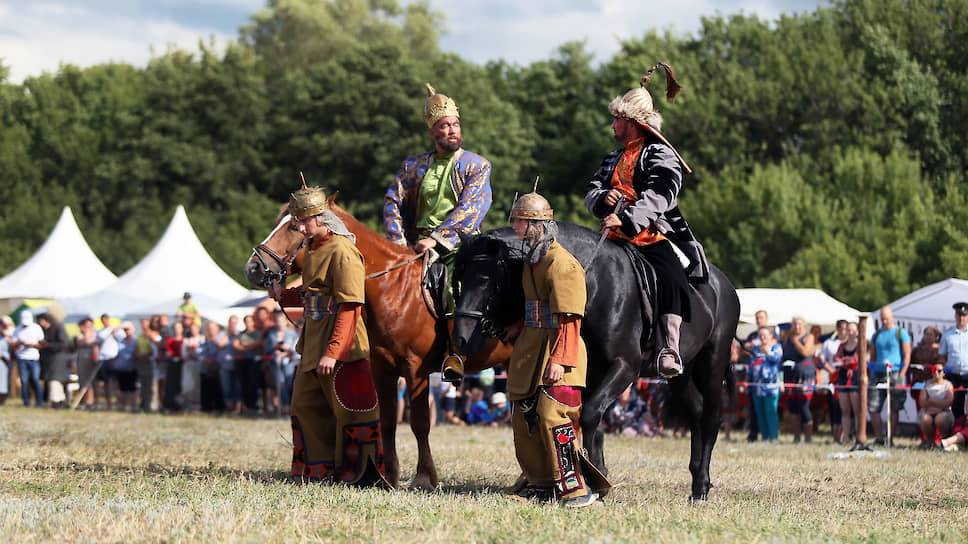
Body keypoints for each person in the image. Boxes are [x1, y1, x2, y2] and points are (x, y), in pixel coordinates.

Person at [584, 63, 707, 378]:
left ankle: (668, 347)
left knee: (672, 275)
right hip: (612, 232)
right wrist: (603, 199)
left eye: (617, 120)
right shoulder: (613, 157)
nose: (612, 126)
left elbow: (659, 198)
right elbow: (592, 191)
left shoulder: (661, 155)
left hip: (653, 233)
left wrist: (625, 219)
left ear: (632, 123)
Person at [268, 184, 388, 486]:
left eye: (304, 220)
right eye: (297, 221)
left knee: (351, 409)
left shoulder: (343, 251)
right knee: (305, 407)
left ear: (321, 217)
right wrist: (283, 296)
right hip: (312, 343)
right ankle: (315, 472)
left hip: (343, 347)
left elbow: (350, 305)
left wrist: (334, 351)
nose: (300, 227)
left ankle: (360, 476)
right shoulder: (312, 249)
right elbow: (313, 295)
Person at [505, 189, 609, 508]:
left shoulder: (563, 264)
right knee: (524, 417)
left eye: (522, 223)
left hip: (560, 352)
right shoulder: (531, 262)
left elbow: (570, 319)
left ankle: (576, 489)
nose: (517, 229)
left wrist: (561, 360)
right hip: (532, 348)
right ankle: (541, 483)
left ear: (538, 224)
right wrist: (517, 328)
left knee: (554, 415)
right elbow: (536, 307)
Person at [383, 83, 492, 382]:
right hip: (415, 245)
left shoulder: (476, 165)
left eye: (456, 124)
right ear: (432, 132)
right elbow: (393, 201)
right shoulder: (413, 165)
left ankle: (455, 354)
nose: (452, 130)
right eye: (445, 126)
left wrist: (437, 239)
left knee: (457, 289)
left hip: (459, 244)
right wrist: (399, 245)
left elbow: (472, 208)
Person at [869, 306, 911, 446]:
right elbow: (872, 357)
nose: (884, 320)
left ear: (892, 316)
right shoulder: (876, 335)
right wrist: (872, 372)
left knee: (894, 407)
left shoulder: (901, 333)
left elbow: (907, 355)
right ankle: (879, 437)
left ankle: (890, 438)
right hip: (879, 374)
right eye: (882, 318)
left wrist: (902, 374)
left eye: (886, 317)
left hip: (895, 374)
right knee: (873, 407)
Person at [781, 316, 816, 443]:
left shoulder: (809, 337)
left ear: (804, 325)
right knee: (792, 406)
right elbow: (783, 354)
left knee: (804, 406)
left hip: (805, 375)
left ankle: (808, 437)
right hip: (790, 375)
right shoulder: (787, 338)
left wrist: (796, 341)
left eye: (800, 324)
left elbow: (806, 353)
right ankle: (796, 436)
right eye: (795, 324)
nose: (797, 327)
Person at [749, 326, 783, 442]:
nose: (762, 338)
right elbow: (751, 365)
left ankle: (773, 437)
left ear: (771, 336)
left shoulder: (776, 347)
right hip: (756, 386)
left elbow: (776, 359)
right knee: (760, 413)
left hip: (771, 387)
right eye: (760, 335)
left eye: (765, 335)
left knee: (771, 412)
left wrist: (767, 351)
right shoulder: (755, 350)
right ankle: (764, 436)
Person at [832, 322, 864, 446]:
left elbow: (858, 361)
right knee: (845, 410)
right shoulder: (842, 346)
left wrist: (846, 361)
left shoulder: (860, 346)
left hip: (855, 378)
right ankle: (845, 436)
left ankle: (858, 435)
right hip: (842, 378)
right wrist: (845, 361)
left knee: (856, 410)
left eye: (852, 330)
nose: (850, 332)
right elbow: (837, 359)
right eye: (848, 330)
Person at [264, 310, 298, 416]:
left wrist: (286, 351)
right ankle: (285, 406)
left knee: (288, 384)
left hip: (288, 362)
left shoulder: (291, 333)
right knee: (280, 383)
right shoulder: (272, 334)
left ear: (285, 321)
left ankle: (291, 406)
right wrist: (275, 348)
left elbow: (295, 348)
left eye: (281, 320)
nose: (279, 322)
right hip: (276, 362)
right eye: (277, 320)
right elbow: (267, 348)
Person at [818, 320, 847, 443]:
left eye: (846, 329)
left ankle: (844, 435)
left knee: (845, 408)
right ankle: (834, 435)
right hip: (832, 378)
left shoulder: (851, 343)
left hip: (846, 378)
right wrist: (831, 371)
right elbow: (821, 358)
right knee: (834, 407)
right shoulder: (829, 343)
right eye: (842, 329)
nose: (844, 332)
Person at [939, 302, 968, 420]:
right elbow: (942, 357)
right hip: (954, 375)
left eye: (964, 315)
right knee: (956, 406)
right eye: (959, 315)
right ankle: (958, 433)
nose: (961, 318)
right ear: (955, 316)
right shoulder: (947, 335)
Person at [12, 310, 45, 407]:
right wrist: (20, 343)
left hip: (34, 358)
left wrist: (33, 345)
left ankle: (39, 401)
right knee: (24, 380)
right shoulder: (17, 329)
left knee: (35, 379)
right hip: (22, 358)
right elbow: (13, 344)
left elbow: (42, 344)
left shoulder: (36, 328)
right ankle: (26, 402)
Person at [36, 313, 69, 408]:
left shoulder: (58, 328)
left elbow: (63, 344)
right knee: (52, 380)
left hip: (57, 358)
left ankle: (57, 401)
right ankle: (59, 400)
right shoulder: (46, 330)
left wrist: (48, 345)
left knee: (55, 379)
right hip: (49, 359)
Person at [917, 362, 954, 449]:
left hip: (944, 411)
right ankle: (930, 442)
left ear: (944, 373)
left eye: (939, 371)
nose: (936, 373)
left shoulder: (948, 385)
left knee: (940, 419)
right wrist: (939, 403)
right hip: (928, 411)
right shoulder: (926, 384)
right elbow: (922, 402)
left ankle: (945, 442)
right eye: (934, 370)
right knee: (925, 419)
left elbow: (949, 402)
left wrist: (931, 401)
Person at [910, 326, 943, 413]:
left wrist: (931, 367)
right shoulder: (917, 349)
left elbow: (942, 364)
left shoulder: (940, 350)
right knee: (921, 409)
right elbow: (911, 363)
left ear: (936, 336)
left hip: (934, 383)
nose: (928, 336)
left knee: (935, 409)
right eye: (926, 334)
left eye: (931, 334)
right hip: (919, 382)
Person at [95, 313, 121, 411]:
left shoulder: (115, 329)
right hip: (103, 359)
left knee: (116, 382)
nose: (104, 321)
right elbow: (97, 344)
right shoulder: (100, 332)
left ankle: (118, 403)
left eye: (106, 319)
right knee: (104, 382)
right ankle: (108, 403)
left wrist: (115, 330)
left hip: (113, 358)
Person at [73, 317, 99, 409]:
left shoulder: (96, 335)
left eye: (91, 326)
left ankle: (92, 402)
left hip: (92, 361)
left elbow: (95, 344)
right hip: (82, 361)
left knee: (92, 382)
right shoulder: (79, 336)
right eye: (87, 326)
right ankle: (84, 401)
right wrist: (88, 339)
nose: (89, 328)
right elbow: (80, 343)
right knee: (83, 381)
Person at [112, 322, 139, 413]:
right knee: (122, 388)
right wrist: (122, 326)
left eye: (128, 329)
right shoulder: (121, 340)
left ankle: (133, 406)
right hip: (121, 368)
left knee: (132, 388)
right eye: (125, 330)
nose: (127, 331)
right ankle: (122, 405)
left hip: (132, 368)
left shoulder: (136, 341)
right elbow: (114, 331)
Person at [0, 315, 13, 405]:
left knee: (3, 381)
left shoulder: (6, 337)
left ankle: (2, 399)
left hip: (3, 362)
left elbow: (11, 349)